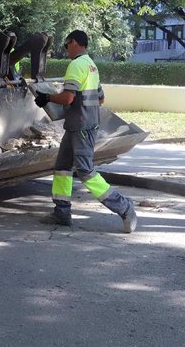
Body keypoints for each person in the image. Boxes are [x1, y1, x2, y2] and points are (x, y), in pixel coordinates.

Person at [34, 30, 138, 233]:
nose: (66, 50)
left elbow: (68, 98)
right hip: (79, 125)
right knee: (62, 166)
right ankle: (61, 212)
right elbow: (100, 98)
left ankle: (124, 207)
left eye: (66, 45)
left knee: (85, 171)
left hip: (81, 127)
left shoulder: (76, 65)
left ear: (74, 42)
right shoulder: (91, 65)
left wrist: (46, 98)